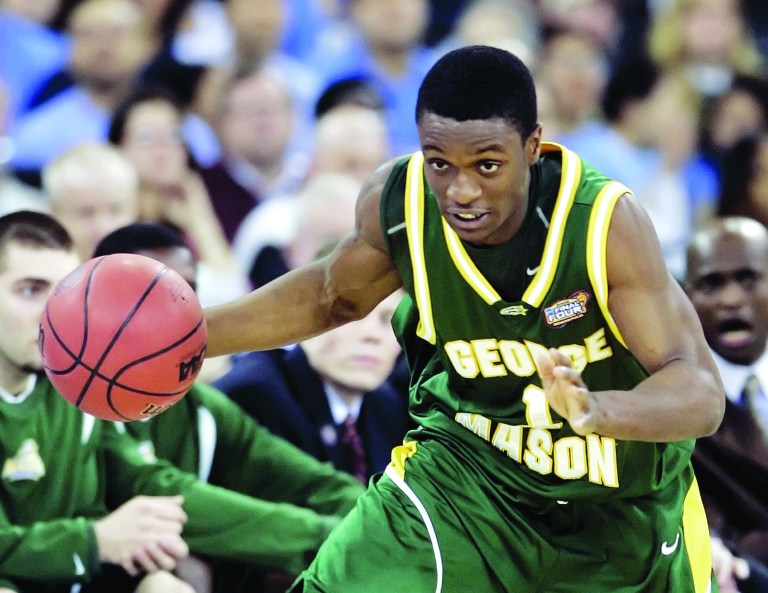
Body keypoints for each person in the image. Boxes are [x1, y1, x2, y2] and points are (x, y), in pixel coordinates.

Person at [202, 45, 725, 591]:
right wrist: (195, 339)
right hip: (467, 479)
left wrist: (599, 411)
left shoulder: (603, 225)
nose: (461, 190)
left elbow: (700, 390)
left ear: (532, 146)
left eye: (488, 165)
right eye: (439, 163)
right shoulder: (402, 204)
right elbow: (331, 298)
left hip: (618, 511)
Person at [0, 210, 359, 593]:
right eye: (29, 290)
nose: (50, 314)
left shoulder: (76, 392)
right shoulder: (95, 382)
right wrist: (95, 540)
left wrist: (364, 520)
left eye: (59, 293)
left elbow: (151, 484)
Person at [214, 286, 409, 484]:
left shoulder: (391, 407)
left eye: (388, 320)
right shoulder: (256, 396)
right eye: (352, 315)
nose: (372, 334)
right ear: (307, 321)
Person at [684, 217, 768, 576]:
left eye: (748, 279)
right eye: (711, 284)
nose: (731, 299)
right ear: (685, 297)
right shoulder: (674, 406)